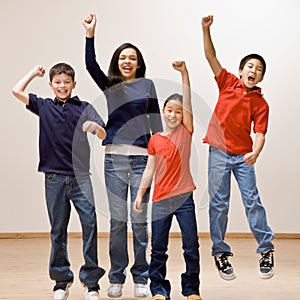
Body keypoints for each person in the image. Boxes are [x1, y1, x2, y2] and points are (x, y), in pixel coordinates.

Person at [83, 13, 163, 298]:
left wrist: (159, 156)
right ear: (117, 62)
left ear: (138, 63)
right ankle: (116, 276)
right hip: (114, 159)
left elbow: (156, 124)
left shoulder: (148, 85)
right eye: (122, 58)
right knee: (118, 222)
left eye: (132, 58)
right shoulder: (111, 87)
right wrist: (90, 34)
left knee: (139, 221)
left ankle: (141, 277)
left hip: (142, 159)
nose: (127, 61)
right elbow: (90, 65)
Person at [12, 63, 106, 300]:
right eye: (58, 82)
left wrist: (95, 128)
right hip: (53, 178)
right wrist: (33, 72)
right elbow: (16, 90)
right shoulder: (43, 106)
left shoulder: (84, 107)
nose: (62, 86)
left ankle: (91, 282)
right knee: (57, 230)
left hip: (81, 177)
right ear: (51, 84)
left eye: (67, 82)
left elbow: (104, 133)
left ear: (74, 84)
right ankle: (61, 281)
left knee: (90, 225)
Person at [201, 15, 275, 281]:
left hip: (243, 156)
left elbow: (261, 132)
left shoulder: (261, 103)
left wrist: (256, 152)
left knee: (252, 201)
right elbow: (211, 56)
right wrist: (205, 30)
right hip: (218, 153)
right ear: (241, 70)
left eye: (258, 70)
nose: (253, 71)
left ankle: (266, 249)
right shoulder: (227, 82)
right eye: (250, 67)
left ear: (260, 77)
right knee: (219, 205)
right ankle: (220, 252)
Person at [134, 61, 202, 300]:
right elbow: (149, 169)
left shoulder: (186, 130)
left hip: (184, 199)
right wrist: (141, 194)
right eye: (170, 110)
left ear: (184, 116)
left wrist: (184, 73)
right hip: (161, 200)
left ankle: (191, 288)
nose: (173, 114)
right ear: (163, 112)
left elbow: (188, 99)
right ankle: (159, 289)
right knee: (158, 248)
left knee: (191, 246)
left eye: (178, 111)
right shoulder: (155, 140)